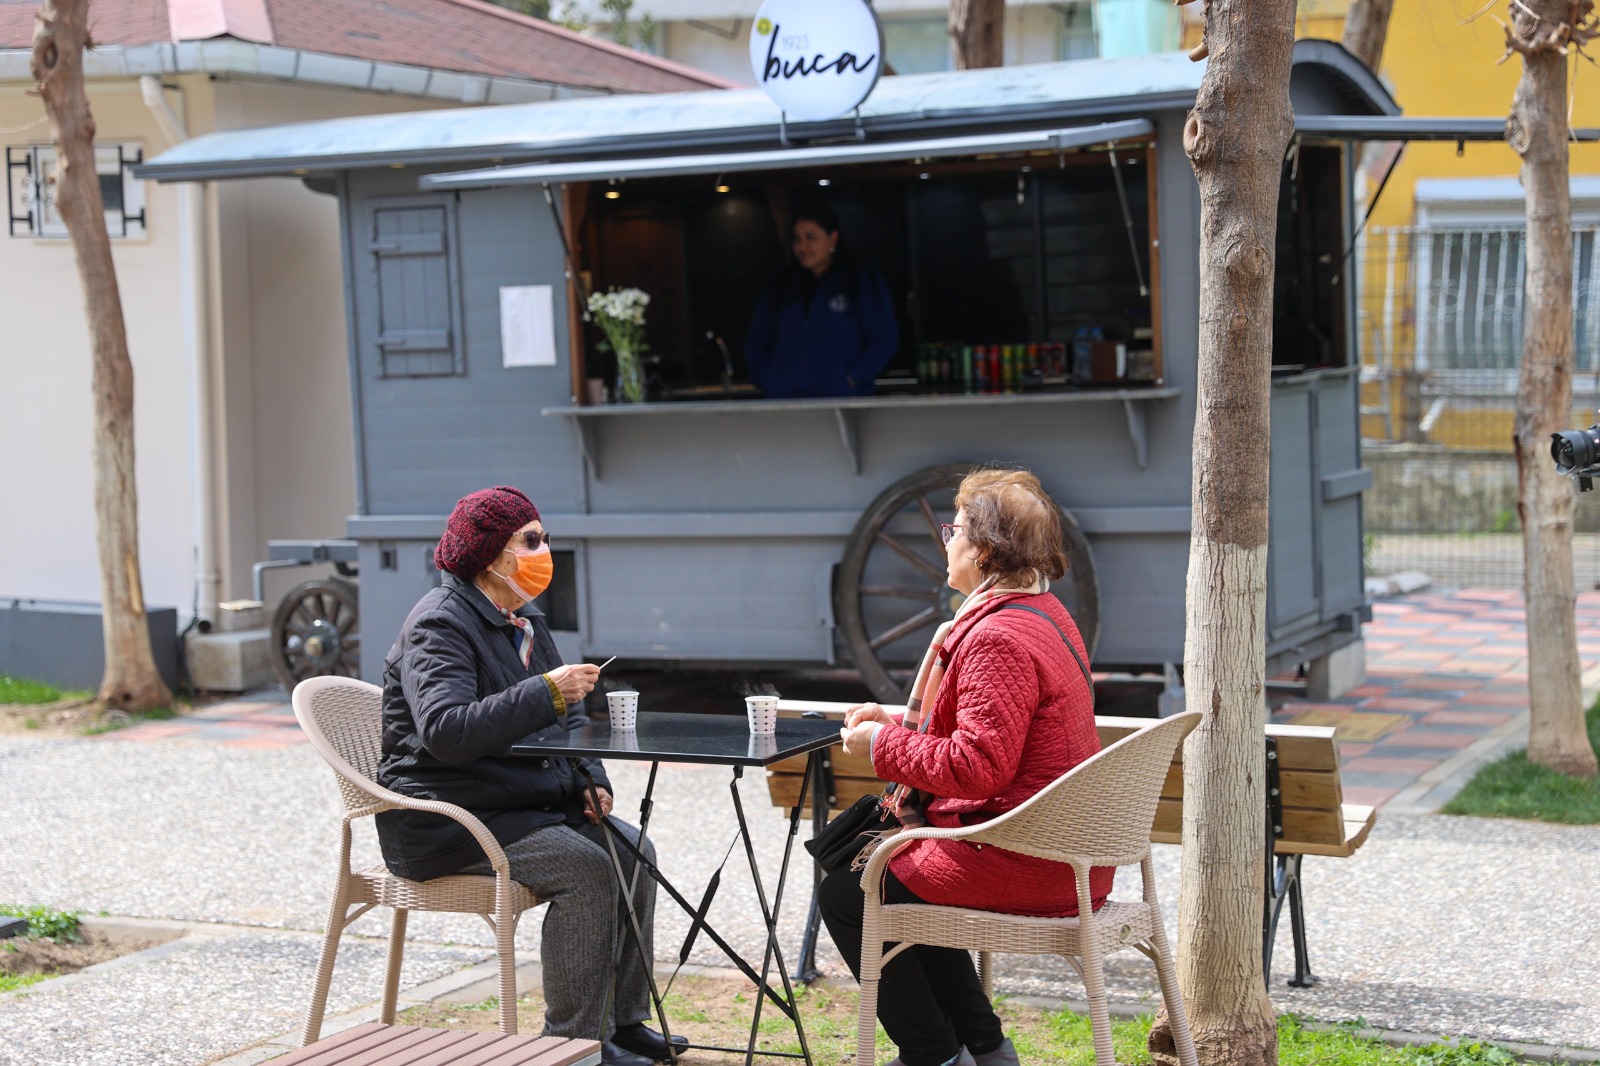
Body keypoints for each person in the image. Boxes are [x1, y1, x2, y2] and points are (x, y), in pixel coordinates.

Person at [376, 485, 685, 1066]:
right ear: (492, 554)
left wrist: (591, 778)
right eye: (533, 539)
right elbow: (446, 731)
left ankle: (622, 1024)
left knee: (633, 852)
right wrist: (544, 692)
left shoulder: (523, 620)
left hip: (513, 803)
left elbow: (570, 723)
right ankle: (573, 1047)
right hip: (445, 819)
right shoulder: (438, 625)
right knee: (590, 869)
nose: (546, 549)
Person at [821, 468, 1109, 1066]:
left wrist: (878, 745)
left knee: (850, 895)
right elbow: (987, 744)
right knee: (897, 881)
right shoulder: (1047, 617)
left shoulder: (995, 637)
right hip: (1059, 852)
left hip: (1025, 857)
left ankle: (933, 1055)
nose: (945, 540)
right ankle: (984, 1046)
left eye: (953, 529)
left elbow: (978, 767)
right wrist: (897, 727)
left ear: (982, 551)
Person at [744, 201, 899, 398]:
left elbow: (884, 339)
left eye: (810, 237)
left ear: (832, 239)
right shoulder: (780, 287)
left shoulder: (861, 282)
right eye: (797, 239)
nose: (802, 246)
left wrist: (853, 377)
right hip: (786, 400)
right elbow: (757, 341)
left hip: (842, 400)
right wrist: (767, 379)